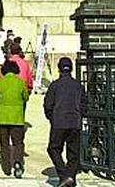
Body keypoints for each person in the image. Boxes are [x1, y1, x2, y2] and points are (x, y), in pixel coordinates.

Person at [44, 57, 87, 187]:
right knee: (73, 152)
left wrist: (52, 117)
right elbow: (85, 104)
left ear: (59, 69)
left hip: (59, 122)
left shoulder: (55, 85)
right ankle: (71, 178)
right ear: (71, 69)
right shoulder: (78, 85)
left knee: (53, 148)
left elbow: (48, 105)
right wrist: (80, 115)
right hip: (74, 121)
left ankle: (64, 175)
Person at [0, 60, 30, 178]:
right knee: (18, 143)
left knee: (4, 143)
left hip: (2, 117)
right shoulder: (21, 82)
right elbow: (26, 97)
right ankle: (17, 163)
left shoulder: (0, 82)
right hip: (17, 117)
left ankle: (6, 167)